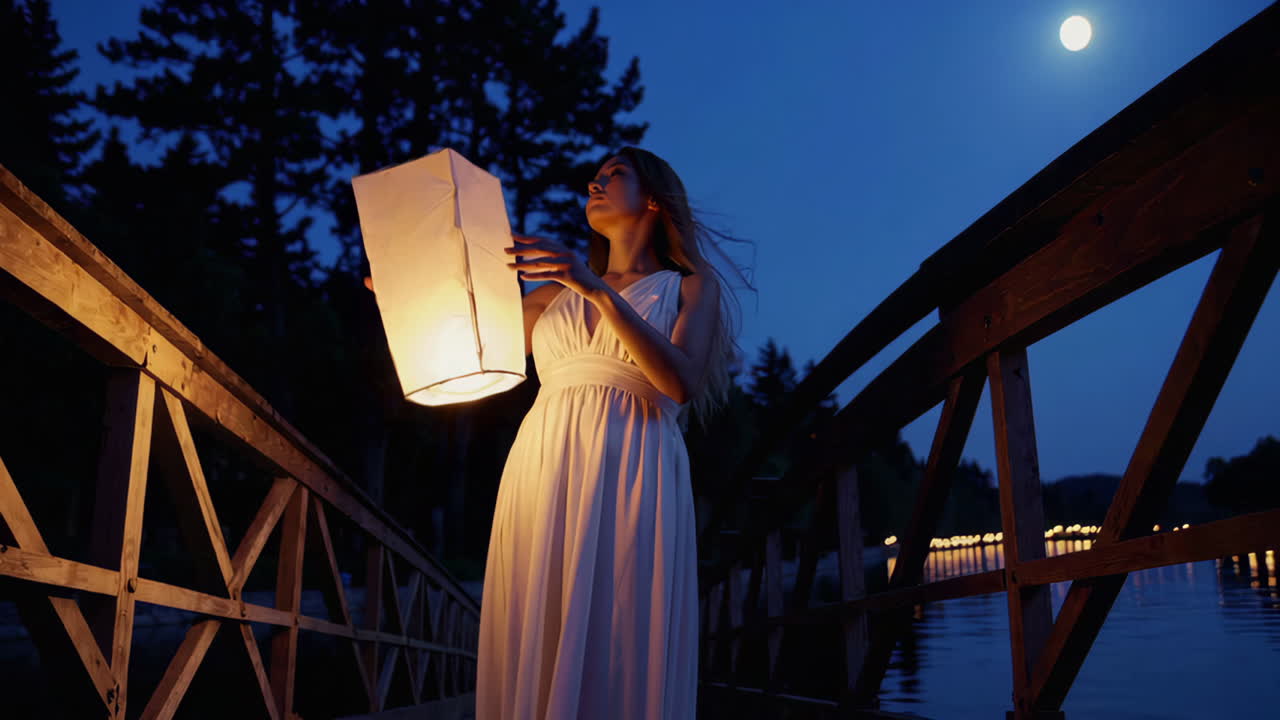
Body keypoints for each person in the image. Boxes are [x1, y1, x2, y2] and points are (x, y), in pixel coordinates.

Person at [475, 147, 742, 719]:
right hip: (545, 463)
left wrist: (596, 289)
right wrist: (412, 288)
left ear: (652, 198)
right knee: (540, 612)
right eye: (593, 178)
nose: (594, 183)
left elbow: (679, 381)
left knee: (617, 621)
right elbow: (471, 335)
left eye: (613, 174)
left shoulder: (689, 287)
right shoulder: (548, 297)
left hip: (633, 469)